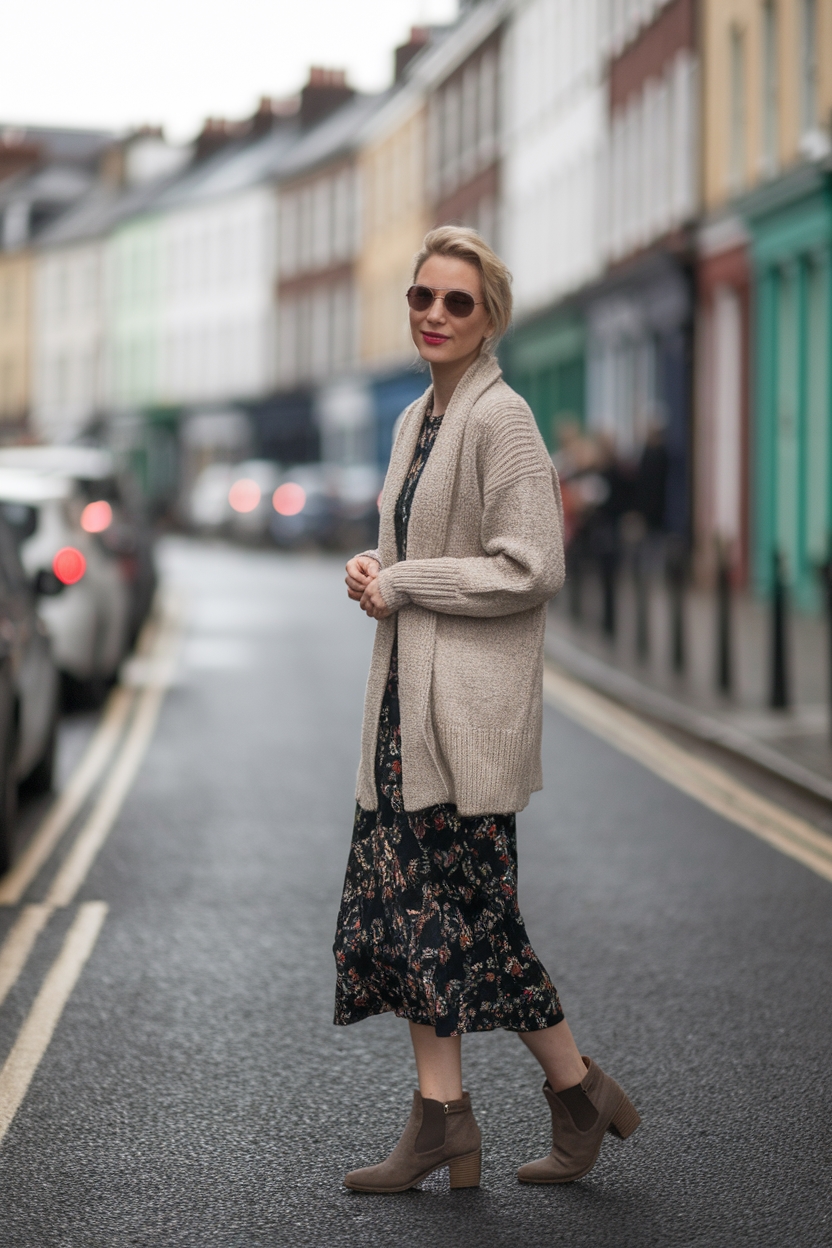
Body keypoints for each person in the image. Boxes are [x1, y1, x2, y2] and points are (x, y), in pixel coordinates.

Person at [334, 226, 640, 1194]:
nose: (432, 314)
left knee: (466, 922)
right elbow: (419, 554)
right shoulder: (415, 419)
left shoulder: (501, 418)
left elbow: (530, 564)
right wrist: (376, 569)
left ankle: (559, 1098)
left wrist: (409, 579)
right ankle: (461, 1118)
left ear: (489, 316)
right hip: (402, 710)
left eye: (455, 302)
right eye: (422, 297)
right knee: (413, 919)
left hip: (461, 718)